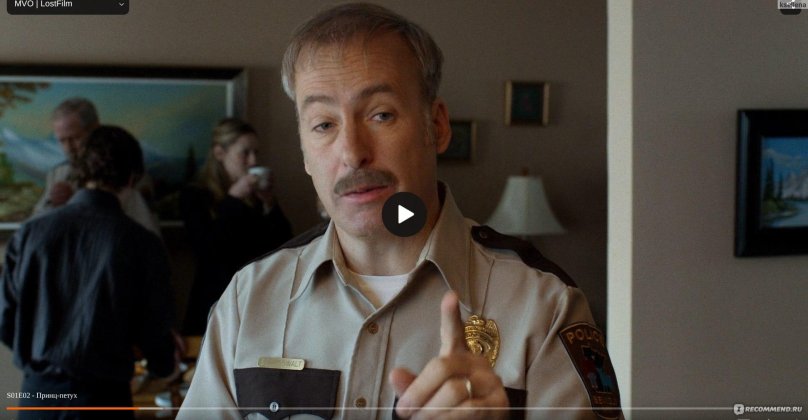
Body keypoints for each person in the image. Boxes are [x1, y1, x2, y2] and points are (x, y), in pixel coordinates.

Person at [179, 3, 622, 420]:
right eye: (324, 124)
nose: (352, 153)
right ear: (304, 152)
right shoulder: (249, 300)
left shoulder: (545, 306)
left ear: (437, 126)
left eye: (381, 115)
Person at [0, 125, 178, 419]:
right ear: (131, 178)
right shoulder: (141, 243)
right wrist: (164, 366)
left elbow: (6, 320)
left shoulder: (30, 233)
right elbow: (154, 331)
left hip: (38, 397)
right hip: (102, 400)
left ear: (80, 172)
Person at [179, 118, 293, 335]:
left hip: (256, 305)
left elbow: (285, 247)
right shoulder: (195, 195)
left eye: (256, 153)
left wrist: (270, 204)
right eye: (245, 153)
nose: (253, 161)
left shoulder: (256, 199)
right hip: (213, 303)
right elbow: (208, 250)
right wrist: (233, 199)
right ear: (220, 153)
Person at [33, 97, 161, 236]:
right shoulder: (57, 174)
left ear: (95, 130)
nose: (69, 148)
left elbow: (147, 231)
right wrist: (54, 206)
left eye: (75, 138)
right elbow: (34, 227)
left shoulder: (130, 173)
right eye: (62, 141)